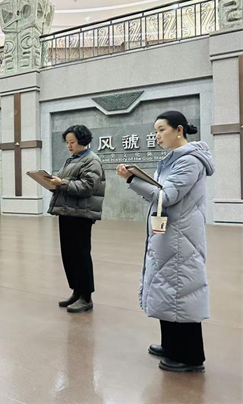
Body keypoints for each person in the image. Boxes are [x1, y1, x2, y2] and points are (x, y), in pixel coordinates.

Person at [117, 111, 213, 373]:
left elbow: (167, 196)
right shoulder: (172, 160)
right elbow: (161, 194)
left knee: (182, 291)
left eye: (162, 130)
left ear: (179, 130)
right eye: (155, 131)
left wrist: (133, 180)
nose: (157, 136)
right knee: (168, 289)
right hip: (171, 234)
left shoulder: (189, 161)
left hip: (182, 237)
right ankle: (171, 345)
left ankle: (190, 357)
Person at [48, 125, 105, 314]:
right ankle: (76, 291)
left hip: (81, 214)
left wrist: (62, 183)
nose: (69, 146)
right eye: (67, 142)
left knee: (80, 255)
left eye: (72, 142)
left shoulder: (91, 160)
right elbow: (66, 183)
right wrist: (52, 182)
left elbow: (88, 186)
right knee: (69, 255)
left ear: (83, 140)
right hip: (67, 212)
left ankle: (86, 297)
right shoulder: (73, 159)